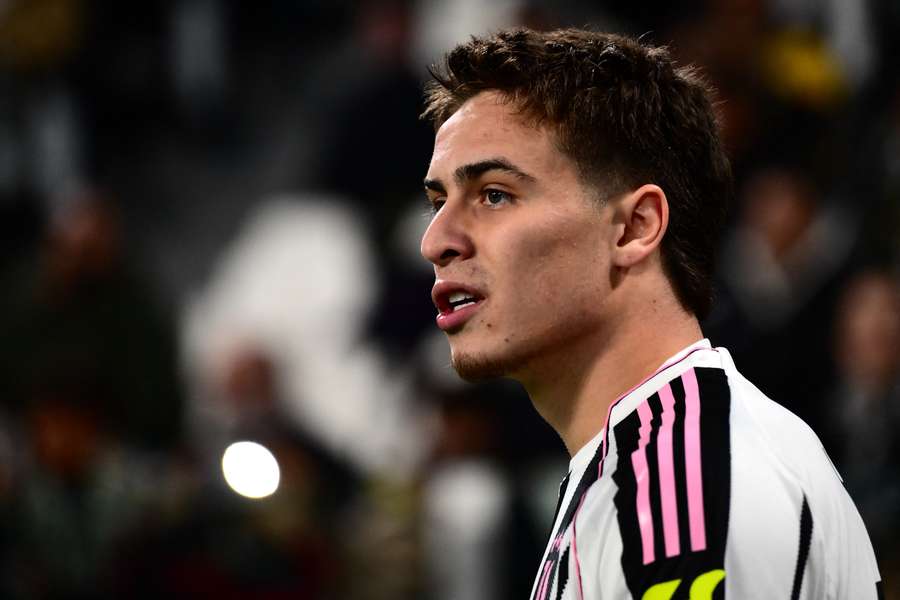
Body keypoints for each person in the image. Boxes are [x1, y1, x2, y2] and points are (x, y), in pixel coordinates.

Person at [418, 28, 882, 599]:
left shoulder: (684, 492)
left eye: (494, 194)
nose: (435, 241)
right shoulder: (663, 462)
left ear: (635, 228)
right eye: (438, 202)